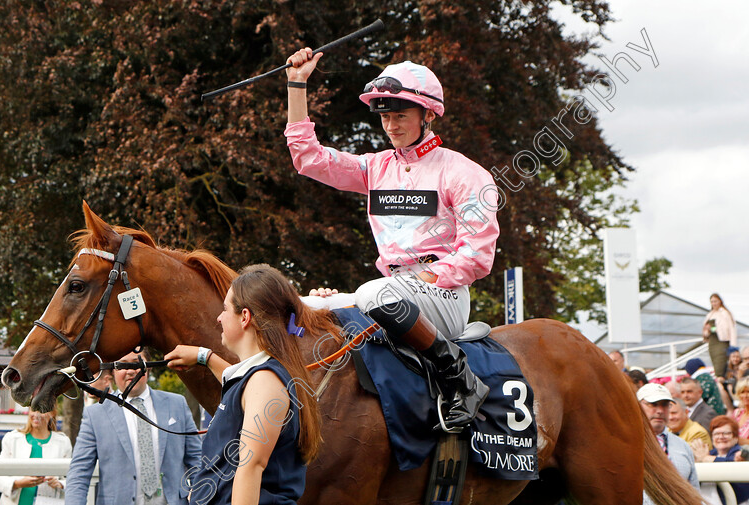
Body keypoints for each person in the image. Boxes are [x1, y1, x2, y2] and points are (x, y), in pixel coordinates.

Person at [284, 49, 499, 431]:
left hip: (443, 295)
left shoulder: (464, 173)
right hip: (390, 290)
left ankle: (460, 379)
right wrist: (297, 84)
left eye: (400, 115)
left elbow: (477, 255)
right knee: (299, 306)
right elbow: (308, 159)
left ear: (428, 115)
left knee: (373, 294)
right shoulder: (376, 167)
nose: (391, 125)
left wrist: (415, 282)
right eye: (385, 116)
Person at [165, 264, 327, 505]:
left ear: (245, 317)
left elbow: (250, 468)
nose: (219, 317)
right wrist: (205, 357)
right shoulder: (260, 377)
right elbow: (237, 383)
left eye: (225, 308)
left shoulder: (265, 382)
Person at [65, 349, 202, 505]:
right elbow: (79, 472)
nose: (130, 371)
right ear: (113, 371)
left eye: (136, 364)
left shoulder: (177, 404)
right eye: (122, 365)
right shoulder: (95, 414)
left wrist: (202, 498)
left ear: (148, 367)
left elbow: (197, 460)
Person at [0, 408, 72, 505]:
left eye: (42, 411)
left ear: (52, 413)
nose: (36, 414)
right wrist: (18, 483)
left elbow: (72, 479)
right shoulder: (12, 439)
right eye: (33, 409)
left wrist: (60, 484)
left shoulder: (63, 443)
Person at [637, 383, 699, 505]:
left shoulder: (683, 446)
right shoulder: (627, 445)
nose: (660, 411)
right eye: (653, 404)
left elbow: (694, 491)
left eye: (665, 405)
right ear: (638, 406)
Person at [690, 416, 749, 504]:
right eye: (716, 434)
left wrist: (706, 459)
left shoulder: (740, 453)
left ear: (736, 437)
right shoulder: (710, 453)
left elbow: (731, 465)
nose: (721, 437)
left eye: (726, 433)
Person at [703, 293, 737, 378]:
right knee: (715, 364)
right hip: (712, 342)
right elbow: (707, 330)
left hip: (722, 342)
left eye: (715, 301)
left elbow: (731, 329)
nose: (714, 303)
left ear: (720, 301)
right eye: (712, 302)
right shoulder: (710, 314)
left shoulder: (725, 313)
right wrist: (707, 331)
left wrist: (733, 346)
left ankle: (720, 382)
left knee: (720, 367)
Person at [722, 377, 749, 444]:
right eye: (742, 392)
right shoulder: (737, 413)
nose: (745, 395)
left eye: (748, 392)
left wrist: (737, 440)